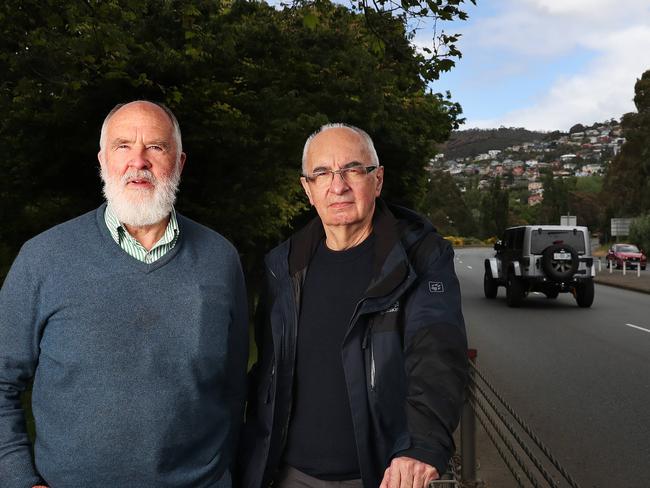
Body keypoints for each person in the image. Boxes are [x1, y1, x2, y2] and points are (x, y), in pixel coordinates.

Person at [0, 101, 249, 488]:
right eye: (123, 146)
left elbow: (232, 389)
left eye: (155, 147)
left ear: (179, 162)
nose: (139, 161)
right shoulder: (44, 258)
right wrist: (19, 480)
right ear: (102, 161)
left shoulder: (220, 259)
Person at [239, 124, 468, 488]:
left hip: (382, 475)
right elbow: (266, 371)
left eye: (353, 170)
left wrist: (421, 446)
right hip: (288, 475)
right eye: (322, 173)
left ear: (377, 180)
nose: (338, 185)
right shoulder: (281, 267)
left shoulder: (420, 258)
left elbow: (437, 355)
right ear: (308, 189)